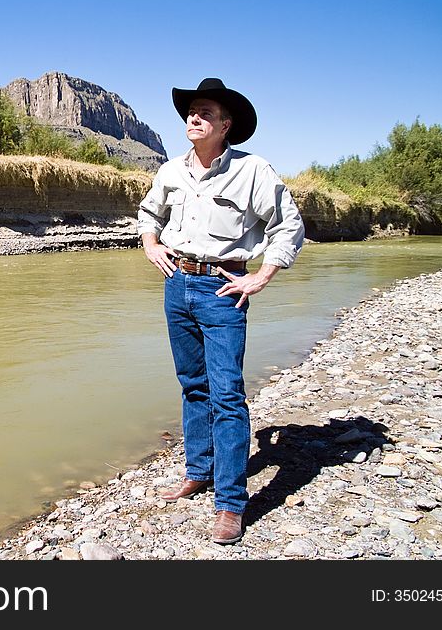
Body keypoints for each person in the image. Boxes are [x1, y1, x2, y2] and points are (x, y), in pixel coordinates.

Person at [137, 78, 305, 544]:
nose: (193, 117)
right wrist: (151, 246)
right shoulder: (171, 171)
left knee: (227, 395)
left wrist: (261, 276)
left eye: (205, 111)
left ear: (225, 124)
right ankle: (199, 472)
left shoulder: (253, 171)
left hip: (224, 289)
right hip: (177, 285)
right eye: (190, 111)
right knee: (193, 386)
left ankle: (230, 503)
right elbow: (149, 214)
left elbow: (288, 225)